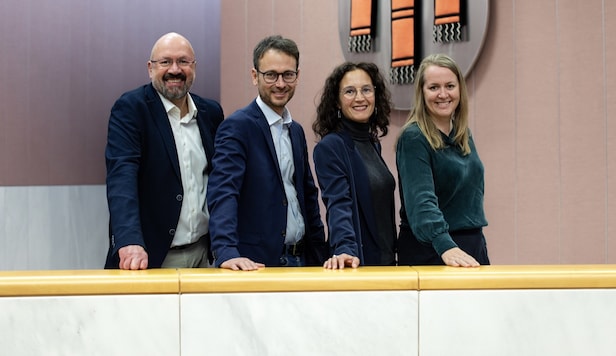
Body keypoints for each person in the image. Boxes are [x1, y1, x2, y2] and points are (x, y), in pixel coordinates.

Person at [105, 32, 224, 270]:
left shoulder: (211, 113)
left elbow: (220, 180)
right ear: (150, 68)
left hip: (204, 255)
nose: (175, 69)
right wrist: (129, 240)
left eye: (183, 61)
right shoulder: (131, 109)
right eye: (165, 62)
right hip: (151, 256)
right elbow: (121, 177)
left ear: (194, 67)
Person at [207, 35, 327, 270]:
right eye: (271, 75)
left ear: (297, 76)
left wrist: (320, 252)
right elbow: (223, 191)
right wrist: (225, 250)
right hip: (257, 263)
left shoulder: (296, 131)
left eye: (288, 75)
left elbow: (307, 196)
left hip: (303, 259)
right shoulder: (238, 127)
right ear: (255, 76)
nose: (280, 84)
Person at [396, 53, 490, 267]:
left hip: (470, 245)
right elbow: (421, 202)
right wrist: (445, 245)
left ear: (460, 90)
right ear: (421, 92)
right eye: (433, 87)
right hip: (434, 249)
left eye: (449, 86)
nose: (443, 94)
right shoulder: (414, 137)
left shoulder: (462, 133)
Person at [312, 62, 397, 269]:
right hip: (358, 264)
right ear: (337, 102)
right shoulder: (331, 146)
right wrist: (345, 250)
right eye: (350, 91)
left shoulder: (372, 143)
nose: (360, 98)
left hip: (388, 263)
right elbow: (338, 203)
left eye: (366, 90)